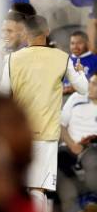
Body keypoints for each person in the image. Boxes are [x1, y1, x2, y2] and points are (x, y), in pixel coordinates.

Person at [0, 15, 89, 212]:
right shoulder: (62, 57)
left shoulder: (11, 59)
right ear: (47, 31)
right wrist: (81, 71)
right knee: (38, 187)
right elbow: (83, 89)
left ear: (25, 33)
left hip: (17, 132)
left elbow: (2, 96)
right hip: (46, 133)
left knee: (18, 185)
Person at [57, 72, 97, 212]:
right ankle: (78, 202)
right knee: (59, 158)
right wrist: (72, 144)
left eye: (94, 84)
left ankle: (89, 202)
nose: (89, 86)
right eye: (90, 82)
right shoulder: (76, 97)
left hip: (92, 147)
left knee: (93, 157)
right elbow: (61, 125)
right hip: (71, 146)